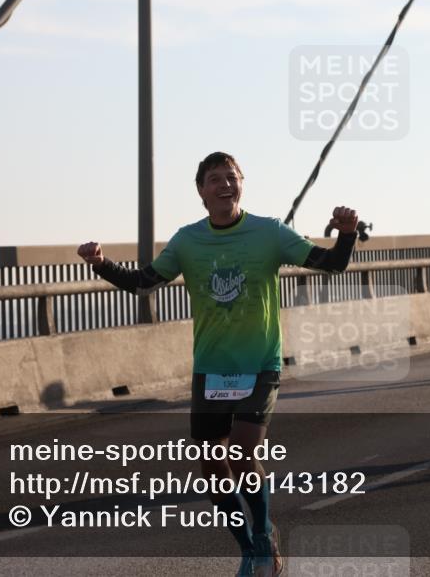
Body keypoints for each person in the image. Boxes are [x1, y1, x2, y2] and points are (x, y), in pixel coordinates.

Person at [78, 152, 359, 576]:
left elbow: (331, 264)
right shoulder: (188, 240)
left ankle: (263, 536)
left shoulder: (270, 232)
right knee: (212, 470)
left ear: (242, 184)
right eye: (215, 179)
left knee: (243, 452)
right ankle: (247, 548)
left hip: (259, 364)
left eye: (232, 177)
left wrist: (348, 234)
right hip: (210, 367)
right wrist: (101, 264)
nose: (225, 185)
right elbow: (143, 283)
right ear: (201, 191)